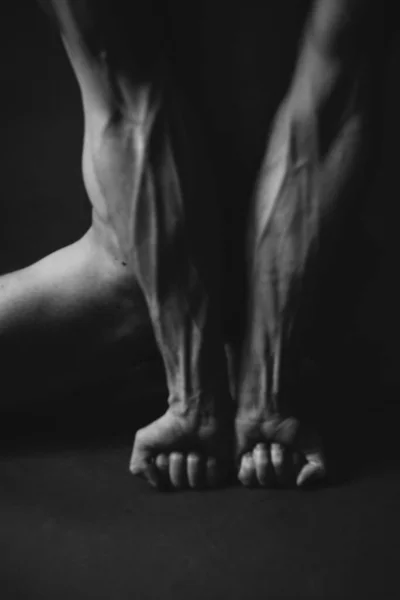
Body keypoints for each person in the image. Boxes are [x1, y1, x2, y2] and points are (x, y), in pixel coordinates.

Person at [2, 0, 382, 490]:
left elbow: (326, 111)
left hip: (328, 280)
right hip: (130, 280)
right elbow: (134, 106)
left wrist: (266, 391)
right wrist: (194, 395)